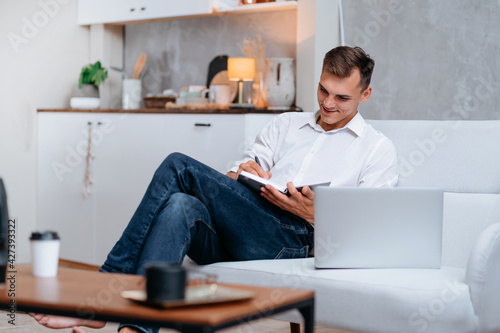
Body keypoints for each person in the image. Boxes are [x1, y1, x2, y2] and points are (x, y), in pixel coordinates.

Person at [32, 46, 398, 333]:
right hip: (242, 224)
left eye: (342, 98)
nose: (328, 103)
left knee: (179, 164)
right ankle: (135, 329)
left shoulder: (376, 149)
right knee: (178, 205)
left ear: (365, 95)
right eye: (322, 90)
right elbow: (235, 173)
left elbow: (374, 232)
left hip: (295, 241)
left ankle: (101, 298)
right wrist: (242, 172)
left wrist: (316, 215)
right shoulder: (286, 124)